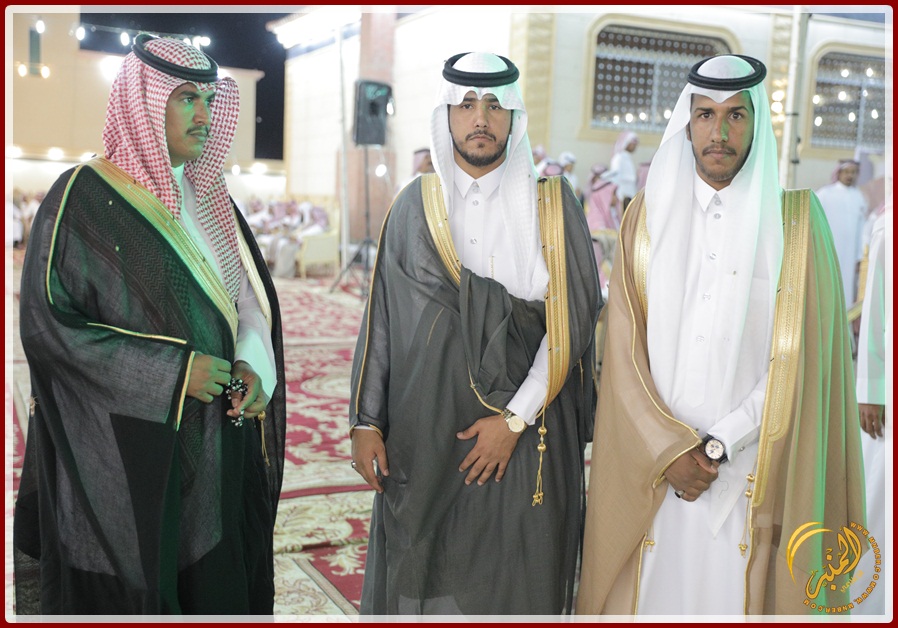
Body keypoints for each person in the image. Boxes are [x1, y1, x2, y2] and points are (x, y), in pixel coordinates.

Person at [576, 54, 865, 616]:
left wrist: (719, 444)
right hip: (656, 472)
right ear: (687, 124)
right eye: (705, 114)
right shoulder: (645, 219)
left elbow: (801, 362)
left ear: (756, 125)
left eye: (736, 116)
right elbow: (624, 352)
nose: (719, 132)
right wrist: (669, 448)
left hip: (753, 470)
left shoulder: (797, 225)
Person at [13, 34, 286, 615]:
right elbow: (48, 325)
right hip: (124, 453)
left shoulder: (213, 198)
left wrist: (252, 361)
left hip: (218, 440)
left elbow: (246, 303)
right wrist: (172, 373)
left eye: (209, 100)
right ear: (143, 101)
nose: (204, 115)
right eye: (186, 98)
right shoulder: (82, 197)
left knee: (214, 583)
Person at [349, 51, 601, 615]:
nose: (480, 118)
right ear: (446, 115)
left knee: (518, 576)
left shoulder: (552, 206)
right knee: (430, 572)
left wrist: (513, 420)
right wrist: (366, 421)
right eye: (466, 105)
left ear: (514, 117)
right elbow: (383, 317)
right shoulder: (414, 206)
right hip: (429, 430)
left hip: (528, 429)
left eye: (493, 105)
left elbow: (573, 320)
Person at [850, 208, 888, 615]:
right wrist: (870, 391)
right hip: (888, 394)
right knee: (879, 504)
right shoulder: (888, 225)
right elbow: (876, 310)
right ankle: (865, 609)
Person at [815, 159, 868, 305]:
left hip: (850, 253)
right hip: (828, 249)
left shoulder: (858, 197)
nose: (850, 175)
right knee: (827, 282)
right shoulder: (825, 194)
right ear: (838, 173)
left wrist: (860, 256)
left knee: (846, 285)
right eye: (847, 172)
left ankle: (845, 317)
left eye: (853, 172)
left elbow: (862, 228)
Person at [602, 131, 639, 209]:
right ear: (626, 143)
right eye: (633, 144)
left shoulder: (627, 158)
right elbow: (615, 176)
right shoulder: (618, 158)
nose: (635, 147)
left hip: (630, 193)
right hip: (621, 194)